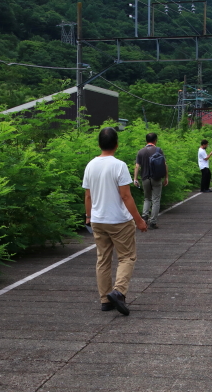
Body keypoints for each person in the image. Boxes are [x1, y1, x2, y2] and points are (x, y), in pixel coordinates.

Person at [83, 127, 148, 315]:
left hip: (97, 219)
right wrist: (139, 220)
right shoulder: (119, 165)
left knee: (102, 259)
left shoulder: (90, 165)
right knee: (127, 257)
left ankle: (105, 300)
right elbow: (126, 196)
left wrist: (88, 217)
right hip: (119, 220)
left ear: (99, 144)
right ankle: (118, 292)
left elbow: (88, 196)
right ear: (117, 144)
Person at [134, 132, 169, 229]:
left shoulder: (141, 151)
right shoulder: (158, 150)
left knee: (147, 198)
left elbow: (137, 166)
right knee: (156, 200)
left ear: (146, 140)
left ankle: (144, 217)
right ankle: (153, 222)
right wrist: (166, 177)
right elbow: (165, 164)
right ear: (155, 140)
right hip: (156, 178)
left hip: (145, 178)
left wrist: (135, 179)